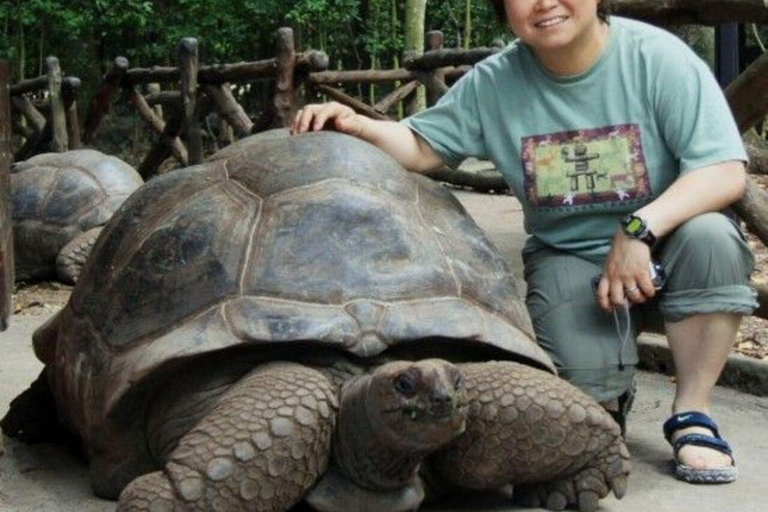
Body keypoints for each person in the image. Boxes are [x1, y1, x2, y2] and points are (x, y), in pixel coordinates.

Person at [290, 0, 757, 484]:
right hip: (570, 260)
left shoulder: (659, 59)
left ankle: (692, 411)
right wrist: (356, 124)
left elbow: (723, 170)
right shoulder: (496, 82)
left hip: (669, 245)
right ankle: (608, 392)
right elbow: (422, 146)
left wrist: (638, 228)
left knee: (712, 236)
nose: (544, 3)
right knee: (576, 418)